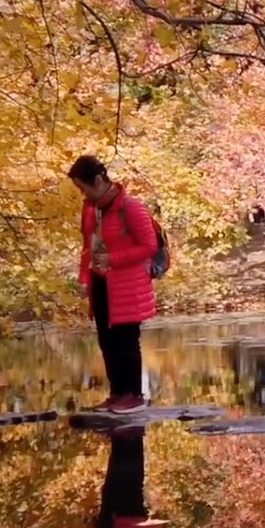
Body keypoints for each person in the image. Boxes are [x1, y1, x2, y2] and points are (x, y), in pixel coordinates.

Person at [70, 156, 158, 413]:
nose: (82, 193)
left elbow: (149, 246)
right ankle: (117, 393)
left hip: (127, 285)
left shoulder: (130, 208)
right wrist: (85, 279)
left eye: (82, 187)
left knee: (126, 341)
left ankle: (134, 395)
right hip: (101, 283)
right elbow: (88, 248)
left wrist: (113, 259)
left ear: (98, 180)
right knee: (107, 340)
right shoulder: (91, 210)